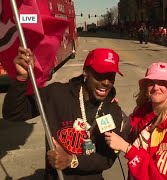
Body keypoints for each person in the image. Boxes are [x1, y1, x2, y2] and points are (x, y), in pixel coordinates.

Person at [2, 47, 125, 179]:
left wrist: (72, 160)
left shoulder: (113, 111)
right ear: (85, 72)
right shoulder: (56, 94)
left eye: (111, 76)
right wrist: (21, 78)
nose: (106, 82)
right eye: (100, 74)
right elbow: (13, 113)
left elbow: (107, 158)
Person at [105, 62, 167, 180]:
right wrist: (114, 111)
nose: (156, 87)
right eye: (151, 82)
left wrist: (127, 149)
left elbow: (160, 177)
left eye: (163, 83)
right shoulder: (144, 110)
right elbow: (126, 132)